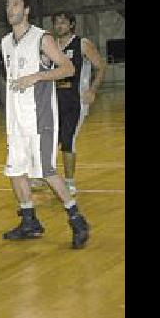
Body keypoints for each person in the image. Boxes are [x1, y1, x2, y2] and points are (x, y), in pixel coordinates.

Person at [0, 0, 90, 249]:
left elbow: (68, 69)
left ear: (26, 10)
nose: (10, 9)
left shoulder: (42, 38)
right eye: (7, 5)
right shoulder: (6, 42)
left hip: (39, 119)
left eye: (15, 4)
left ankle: (76, 219)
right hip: (15, 119)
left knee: (46, 171)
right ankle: (29, 220)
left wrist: (37, 76)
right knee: (15, 170)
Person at [52, 12, 107, 196]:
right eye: (56, 23)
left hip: (76, 100)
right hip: (55, 100)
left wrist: (92, 90)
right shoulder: (51, 46)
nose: (59, 26)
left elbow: (101, 66)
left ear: (72, 24)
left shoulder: (82, 44)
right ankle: (44, 174)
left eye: (63, 22)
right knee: (50, 139)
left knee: (68, 140)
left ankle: (69, 182)